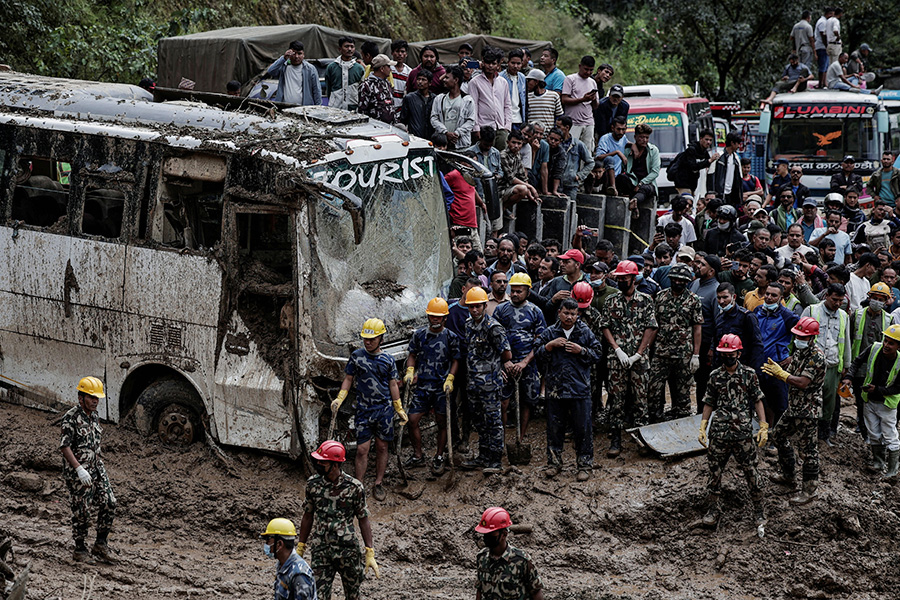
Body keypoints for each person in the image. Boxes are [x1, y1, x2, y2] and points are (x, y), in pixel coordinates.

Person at [698, 334, 769, 528]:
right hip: (719, 433)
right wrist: (703, 425)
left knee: (751, 471)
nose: (727, 357)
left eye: (731, 354)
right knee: (714, 472)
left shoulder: (749, 374)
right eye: (724, 353)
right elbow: (709, 401)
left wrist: (763, 425)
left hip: (743, 433)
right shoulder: (715, 376)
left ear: (738, 353)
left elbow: (757, 399)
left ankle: (759, 510)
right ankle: (713, 509)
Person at [331, 319, 405, 501]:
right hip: (364, 410)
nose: (368, 342)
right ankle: (359, 484)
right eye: (365, 339)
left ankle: (378, 482)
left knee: (382, 446)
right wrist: (340, 397)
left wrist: (399, 407)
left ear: (380, 338)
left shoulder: (387, 360)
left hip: (384, 410)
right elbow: (349, 378)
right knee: (362, 449)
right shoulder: (357, 356)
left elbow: (393, 384)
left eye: (372, 339)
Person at [298, 441, 379, 600]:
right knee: (318, 596)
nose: (318, 464)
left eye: (323, 461)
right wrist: (301, 546)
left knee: (353, 596)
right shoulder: (313, 484)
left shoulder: (354, 487)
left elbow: (363, 518)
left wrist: (369, 551)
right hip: (321, 550)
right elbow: (308, 515)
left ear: (335, 464)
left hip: (347, 551)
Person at [535, 295, 603, 480]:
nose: (569, 317)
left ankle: (584, 465)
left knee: (583, 428)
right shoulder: (550, 332)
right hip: (556, 388)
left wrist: (581, 351)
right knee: (554, 428)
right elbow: (537, 353)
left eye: (573, 314)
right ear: (559, 313)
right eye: (566, 313)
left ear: (577, 314)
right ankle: (554, 463)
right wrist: (549, 346)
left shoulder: (584, 332)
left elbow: (598, 353)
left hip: (579, 388)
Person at [761, 317, 827, 505]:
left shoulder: (816, 357)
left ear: (812, 338)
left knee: (808, 451)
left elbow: (802, 382)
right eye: (797, 336)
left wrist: (781, 375)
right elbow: (791, 369)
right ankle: (788, 474)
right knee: (779, 436)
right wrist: (779, 368)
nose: (798, 339)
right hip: (794, 406)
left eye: (802, 337)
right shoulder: (799, 352)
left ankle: (809, 490)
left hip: (807, 410)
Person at [601, 260, 658, 456]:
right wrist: (617, 349)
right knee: (616, 398)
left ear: (633, 279)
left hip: (639, 360)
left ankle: (643, 440)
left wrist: (638, 354)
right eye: (619, 278)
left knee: (640, 399)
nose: (621, 281)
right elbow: (605, 326)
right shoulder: (611, 301)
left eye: (624, 278)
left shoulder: (646, 300)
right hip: (617, 359)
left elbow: (651, 328)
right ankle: (616, 439)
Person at [60, 377, 117, 563]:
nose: (95, 401)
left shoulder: (94, 416)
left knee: (109, 502)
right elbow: (65, 446)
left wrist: (96, 465)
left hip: (96, 468)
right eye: (91, 397)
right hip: (79, 472)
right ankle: (80, 548)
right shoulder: (71, 417)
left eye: (97, 398)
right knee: (82, 511)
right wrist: (78, 469)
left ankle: (101, 544)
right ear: (80, 397)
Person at [403, 298, 460, 472]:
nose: (435, 320)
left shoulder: (451, 337)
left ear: (444, 318)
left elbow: (456, 360)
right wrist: (410, 371)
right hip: (423, 386)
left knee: (442, 422)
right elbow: (412, 354)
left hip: (442, 387)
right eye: (432, 316)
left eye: (439, 317)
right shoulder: (419, 335)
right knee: (412, 420)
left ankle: (439, 455)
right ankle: (418, 455)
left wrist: (450, 378)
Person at [461, 286, 513, 473]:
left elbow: (506, 353)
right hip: (473, 382)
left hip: (490, 383)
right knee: (479, 421)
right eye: (471, 307)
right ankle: (483, 456)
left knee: (494, 421)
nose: (474, 310)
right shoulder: (468, 324)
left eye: (478, 306)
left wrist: (498, 367)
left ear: (484, 305)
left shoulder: (493, 327)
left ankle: (495, 460)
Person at [494, 273, 547, 438]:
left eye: (519, 291)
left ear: (528, 292)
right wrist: (505, 362)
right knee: (503, 402)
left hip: (528, 365)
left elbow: (540, 342)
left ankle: (521, 436)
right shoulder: (501, 310)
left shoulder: (535, 311)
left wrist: (524, 362)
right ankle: (500, 439)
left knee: (527, 402)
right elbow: (495, 338)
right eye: (513, 291)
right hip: (505, 365)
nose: (515, 294)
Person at [648, 264, 703, 422]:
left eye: (682, 280)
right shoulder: (660, 297)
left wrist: (696, 355)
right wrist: (647, 350)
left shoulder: (694, 300)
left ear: (687, 281)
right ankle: (655, 420)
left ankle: (682, 422)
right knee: (654, 389)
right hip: (661, 351)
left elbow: (697, 328)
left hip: (683, 353)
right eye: (675, 279)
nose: (678, 282)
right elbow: (654, 325)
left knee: (682, 393)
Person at [847, 323, 900, 480]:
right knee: (874, 433)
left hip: (886, 404)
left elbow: (898, 387)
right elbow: (857, 361)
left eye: (891, 343)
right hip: (869, 400)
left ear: (899, 346)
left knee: (890, 435)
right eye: (885, 340)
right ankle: (878, 463)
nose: (886, 345)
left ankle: (892, 470)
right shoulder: (874, 348)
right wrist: (849, 377)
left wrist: (877, 390)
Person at [802, 284, 851, 445]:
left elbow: (846, 341)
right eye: (834, 299)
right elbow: (800, 335)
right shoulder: (811, 311)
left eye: (840, 300)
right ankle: (807, 434)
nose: (837, 303)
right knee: (808, 399)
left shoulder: (844, 316)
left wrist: (846, 365)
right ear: (827, 296)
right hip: (811, 365)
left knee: (829, 401)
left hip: (832, 365)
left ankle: (824, 435)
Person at [754, 282, 800, 427]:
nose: (769, 297)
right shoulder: (757, 311)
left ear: (781, 298)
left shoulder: (788, 316)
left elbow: (805, 336)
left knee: (780, 402)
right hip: (759, 364)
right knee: (762, 399)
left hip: (777, 366)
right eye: (767, 294)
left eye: (774, 295)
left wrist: (793, 356)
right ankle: (766, 429)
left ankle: (780, 436)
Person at [474, 507, 544, 600]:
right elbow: (479, 590)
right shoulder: (482, 558)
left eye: (491, 533)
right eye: (485, 533)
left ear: (504, 534)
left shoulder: (521, 560)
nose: (487, 537)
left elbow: (536, 592)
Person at [260, 518, 316, 600]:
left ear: (279, 544)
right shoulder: (283, 565)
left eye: (268, 541)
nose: (266, 545)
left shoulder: (299, 574)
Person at [714, 283, 765, 370]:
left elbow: (757, 345)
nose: (721, 301)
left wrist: (754, 370)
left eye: (725, 297)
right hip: (723, 367)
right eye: (719, 298)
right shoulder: (719, 318)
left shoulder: (746, 317)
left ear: (734, 297)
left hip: (743, 368)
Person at [469, 47, 512, 150]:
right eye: (488, 63)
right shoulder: (475, 82)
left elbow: (507, 105)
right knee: (484, 157)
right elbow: (473, 106)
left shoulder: (503, 82)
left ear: (498, 65)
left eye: (493, 63)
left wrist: (507, 126)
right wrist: (476, 128)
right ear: (483, 63)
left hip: (501, 127)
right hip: (484, 127)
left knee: (501, 157)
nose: (490, 66)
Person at [618, 123, 660, 214]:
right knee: (622, 178)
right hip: (632, 181)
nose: (644, 140)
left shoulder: (653, 150)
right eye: (641, 137)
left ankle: (635, 202)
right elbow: (623, 167)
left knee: (645, 189)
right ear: (635, 137)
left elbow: (655, 172)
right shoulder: (628, 150)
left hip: (647, 183)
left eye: (647, 137)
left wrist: (641, 183)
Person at [431, 66, 476, 150]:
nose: (444, 80)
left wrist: (457, 133)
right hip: (442, 145)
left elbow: (471, 121)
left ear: (456, 80)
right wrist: (445, 132)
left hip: (461, 145)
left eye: (447, 78)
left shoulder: (468, 100)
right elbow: (434, 118)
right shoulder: (439, 98)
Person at [266, 41, 323, 106]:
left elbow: (316, 90)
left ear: (303, 54)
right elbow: (270, 71)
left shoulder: (310, 69)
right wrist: (283, 58)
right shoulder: (284, 66)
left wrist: (318, 107)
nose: (296, 57)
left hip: (303, 109)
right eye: (294, 53)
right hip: (283, 107)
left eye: (299, 54)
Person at [499, 130, 541, 217]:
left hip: (510, 188)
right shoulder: (503, 155)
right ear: (508, 142)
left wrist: (530, 196)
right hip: (501, 188)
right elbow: (511, 178)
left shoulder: (517, 155)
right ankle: (504, 207)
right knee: (523, 189)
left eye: (519, 143)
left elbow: (523, 176)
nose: (516, 146)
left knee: (525, 188)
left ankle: (505, 207)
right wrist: (531, 187)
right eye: (513, 143)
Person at [561, 56, 599, 150]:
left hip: (588, 121)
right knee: (571, 149)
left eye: (591, 70)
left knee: (587, 150)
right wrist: (582, 99)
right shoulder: (570, 79)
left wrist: (593, 99)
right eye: (586, 69)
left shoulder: (592, 82)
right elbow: (564, 99)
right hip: (574, 122)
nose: (588, 72)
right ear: (580, 66)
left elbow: (595, 106)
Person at [671, 129, 718, 196]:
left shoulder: (705, 152)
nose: (708, 142)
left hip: (694, 185)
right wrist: (709, 161)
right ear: (701, 139)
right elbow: (693, 166)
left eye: (710, 140)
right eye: (706, 139)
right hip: (683, 183)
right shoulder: (691, 150)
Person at [325, 37, 365, 111]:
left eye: (352, 47)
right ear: (340, 49)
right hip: (335, 107)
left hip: (353, 108)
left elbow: (362, 90)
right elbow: (328, 88)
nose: (349, 49)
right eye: (346, 46)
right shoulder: (331, 67)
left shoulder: (359, 68)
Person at [594, 116, 629, 196]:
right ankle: (612, 187)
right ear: (613, 128)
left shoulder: (623, 138)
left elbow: (628, 143)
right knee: (610, 159)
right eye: (618, 129)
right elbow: (599, 157)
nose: (621, 132)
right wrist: (616, 152)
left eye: (623, 129)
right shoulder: (605, 138)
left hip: (618, 175)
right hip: (605, 175)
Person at [358, 55, 398, 124]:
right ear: (382, 69)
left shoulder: (387, 84)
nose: (390, 69)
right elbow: (362, 111)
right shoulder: (367, 86)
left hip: (390, 128)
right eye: (388, 67)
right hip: (375, 128)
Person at [708, 132, 743, 207]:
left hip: (731, 195)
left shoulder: (736, 158)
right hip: (719, 194)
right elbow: (711, 175)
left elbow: (739, 179)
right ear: (732, 143)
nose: (739, 146)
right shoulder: (719, 157)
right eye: (738, 143)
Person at [399, 69, 434, 138]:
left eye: (423, 80)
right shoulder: (409, 98)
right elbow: (403, 119)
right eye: (418, 79)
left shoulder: (435, 99)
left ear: (430, 83)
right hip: (415, 136)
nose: (420, 82)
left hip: (430, 137)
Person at [501, 49, 528, 131]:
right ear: (508, 62)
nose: (515, 66)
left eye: (518, 63)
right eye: (513, 63)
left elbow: (525, 101)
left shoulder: (522, 77)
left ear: (522, 63)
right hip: (504, 120)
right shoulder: (500, 77)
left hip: (519, 120)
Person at [389, 40, 412, 111]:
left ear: (406, 54)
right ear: (392, 53)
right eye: (397, 51)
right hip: (387, 106)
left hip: (401, 109)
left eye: (402, 52)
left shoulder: (409, 71)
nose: (400, 54)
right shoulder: (387, 68)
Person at [814, 7, 834, 88]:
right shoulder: (822, 22)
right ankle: (820, 84)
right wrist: (827, 46)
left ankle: (824, 83)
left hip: (823, 46)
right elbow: (823, 35)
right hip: (821, 46)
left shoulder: (826, 22)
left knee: (826, 65)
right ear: (828, 14)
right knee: (822, 66)